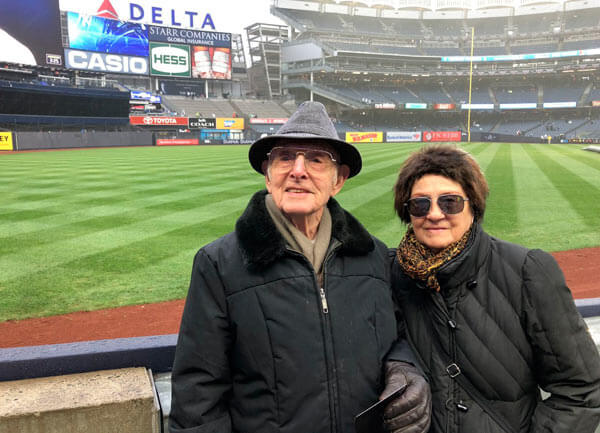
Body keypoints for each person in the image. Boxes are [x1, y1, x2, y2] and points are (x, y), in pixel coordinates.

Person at [169, 101, 431, 433]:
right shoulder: (219, 264)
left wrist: (405, 368)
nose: (298, 170)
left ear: (338, 180)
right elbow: (198, 394)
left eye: (317, 159)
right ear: (268, 174)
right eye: (285, 157)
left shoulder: (374, 257)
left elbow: (398, 337)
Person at [390, 144, 600, 433]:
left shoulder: (527, 270)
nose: (434, 214)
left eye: (450, 202)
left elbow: (582, 389)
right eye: (420, 204)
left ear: (473, 205)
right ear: (408, 212)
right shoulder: (391, 273)